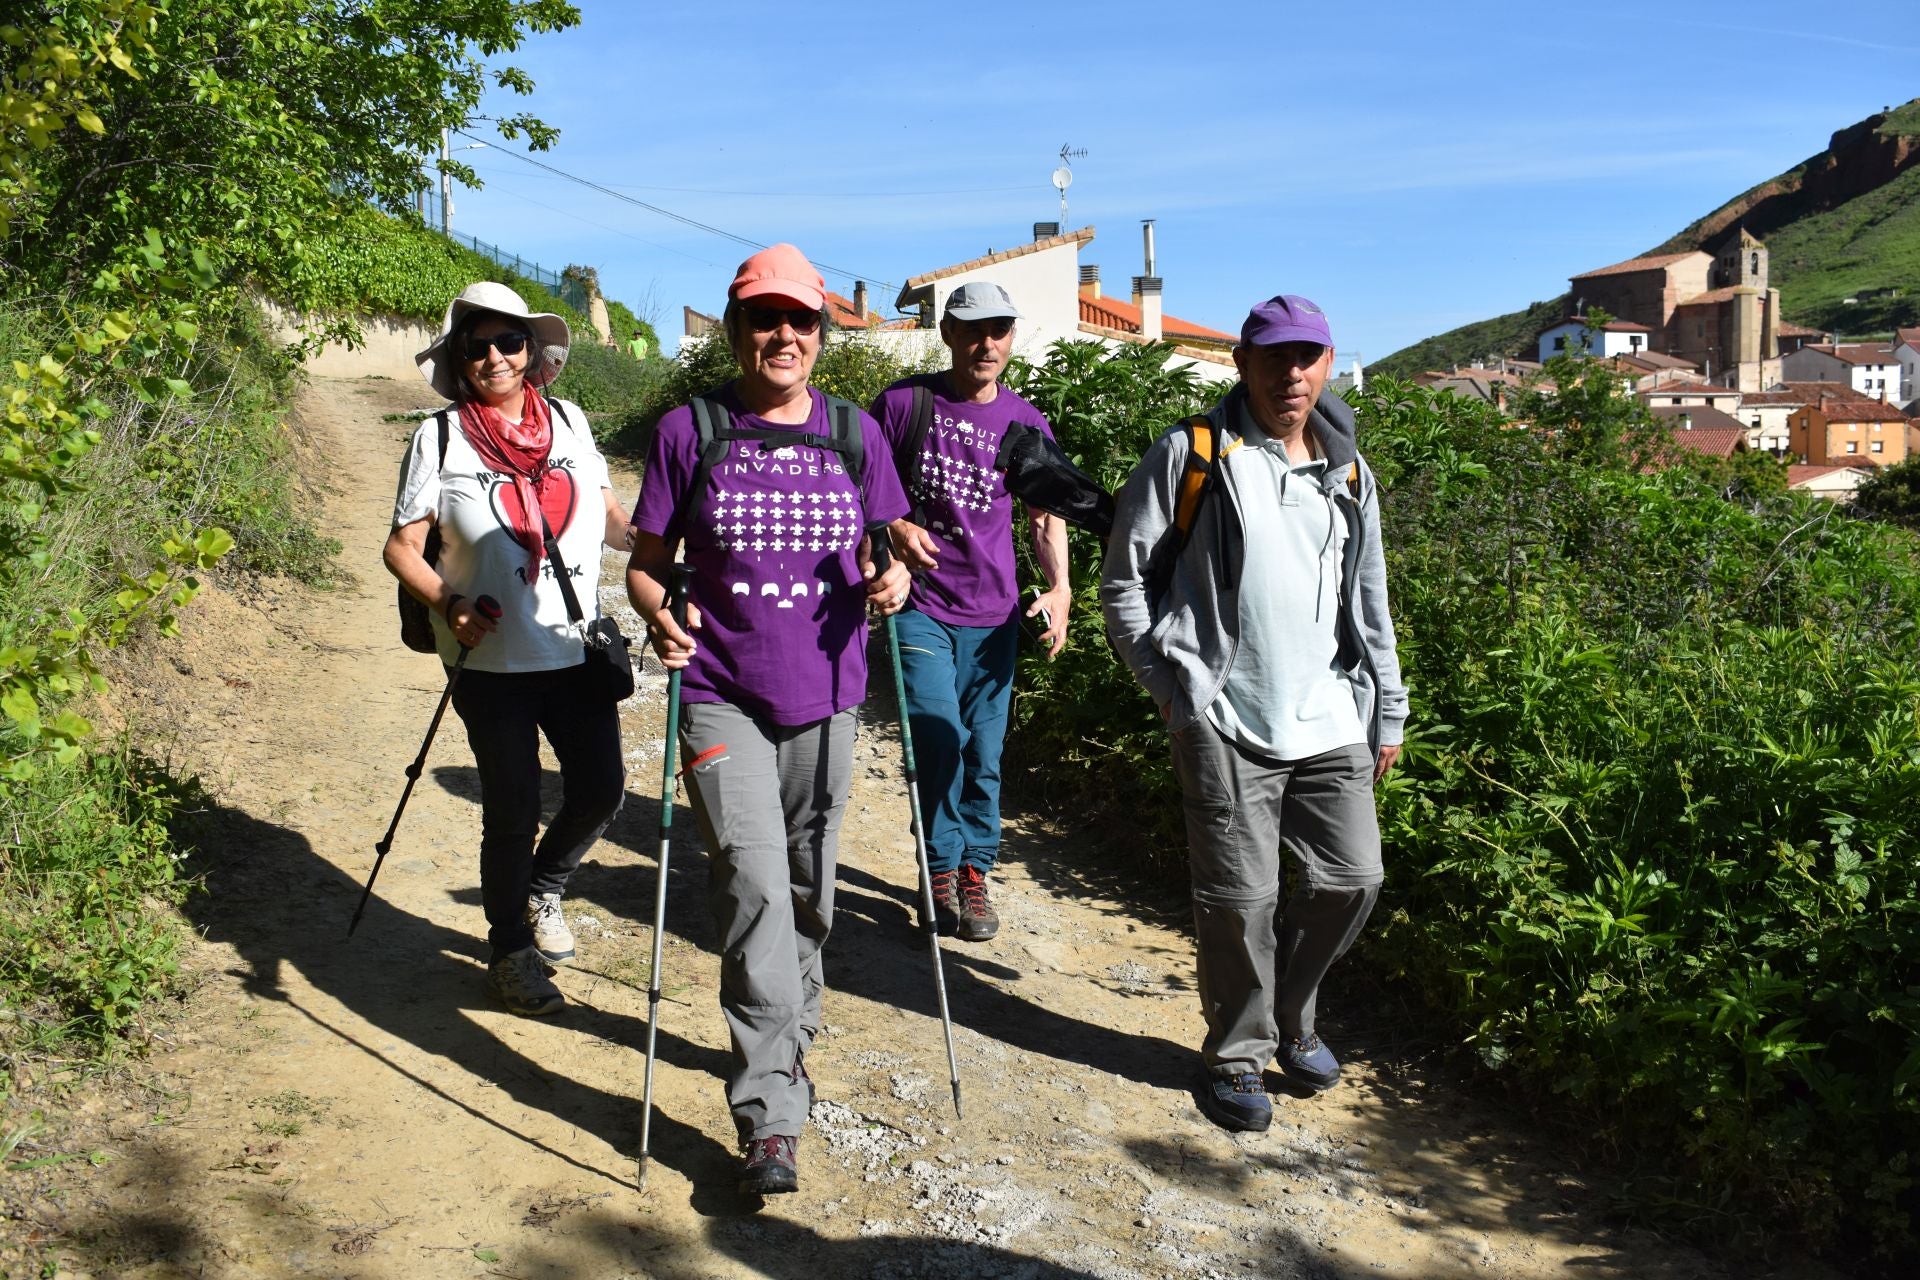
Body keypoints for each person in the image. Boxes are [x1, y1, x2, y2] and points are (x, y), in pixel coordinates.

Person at [627, 243, 911, 1196]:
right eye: (764, 319)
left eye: (801, 321)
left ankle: (792, 1034)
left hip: (830, 698)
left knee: (807, 895)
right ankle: (770, 1112)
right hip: (719, 694)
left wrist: (893, 580)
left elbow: (891, 557)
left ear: (822, 335)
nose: (783, 335)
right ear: (737, 330)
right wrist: (659, 614)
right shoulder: (688, 430)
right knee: (752, 890)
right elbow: (646, 565)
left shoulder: (855, 434)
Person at [1099, 294, 1406, 1134]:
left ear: (1329, 366)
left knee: (1354, 880)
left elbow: (1370, 599)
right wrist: (1170, 688)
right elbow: (1124, 580)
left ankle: (1291, 1017)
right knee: (1240, 899)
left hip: (1333, 712)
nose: (1291, 374)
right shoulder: (1194, 453)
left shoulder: (1349, 469)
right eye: (1275, 358)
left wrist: (1388, 710)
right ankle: (1236, 1054)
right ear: (1243, 364)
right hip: (1225, 714)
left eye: (1307, 357)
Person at [385, 282, 635, 1018]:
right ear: (459, 359)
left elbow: (613, 519)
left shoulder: (570, 421)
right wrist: (449, 605)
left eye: (508, 342)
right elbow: (402, 549)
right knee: (512, 807)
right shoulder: (438, 437)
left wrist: (671, 541)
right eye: (476, 345)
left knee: (601, 789)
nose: (494, 357)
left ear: (532, 350)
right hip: (490, 659)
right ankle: (509, 950)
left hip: (576, 646)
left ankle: (545, 885)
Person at [870, 282, 1069, 941]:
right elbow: (854, 486)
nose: (987, 343)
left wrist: (1061, 589)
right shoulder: (904, 405)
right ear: (948, 333)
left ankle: (975, 870)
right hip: (920, 604)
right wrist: (894, 527)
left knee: (983, 751)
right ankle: (941, 864)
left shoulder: (1028, 424)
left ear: (1011, 337)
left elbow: (1045, 516)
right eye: (973, 329)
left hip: (994, 618)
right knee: (935, 734)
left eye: (999, 330)